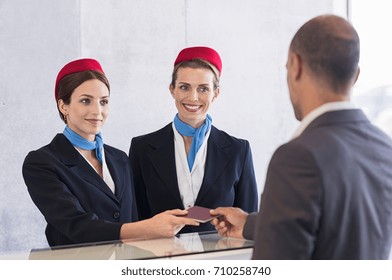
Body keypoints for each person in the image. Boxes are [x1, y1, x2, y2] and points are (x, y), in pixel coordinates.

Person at [211, 15, 392, 259]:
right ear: (356, 75)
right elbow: (338, 228)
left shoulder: (297, 158)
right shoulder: (385, 148)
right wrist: (250, 223)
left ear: (296, 65)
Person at [22, 58, 198, 247]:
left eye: (103, 101)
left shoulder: (119, 158)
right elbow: (76, 225)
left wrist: (210, 213)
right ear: (63, 105)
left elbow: (133, 215)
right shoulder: (42, 162)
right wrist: (146, 228)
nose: (97, 111)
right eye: (85, 101)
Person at [129, 46, 258, 233]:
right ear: (172, 89)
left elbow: (248, 226)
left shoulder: (239, 150)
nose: (193, 97)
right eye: (184, 87)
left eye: (203, 88)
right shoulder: (142, 149)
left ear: (216, 93)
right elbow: (135, 220)